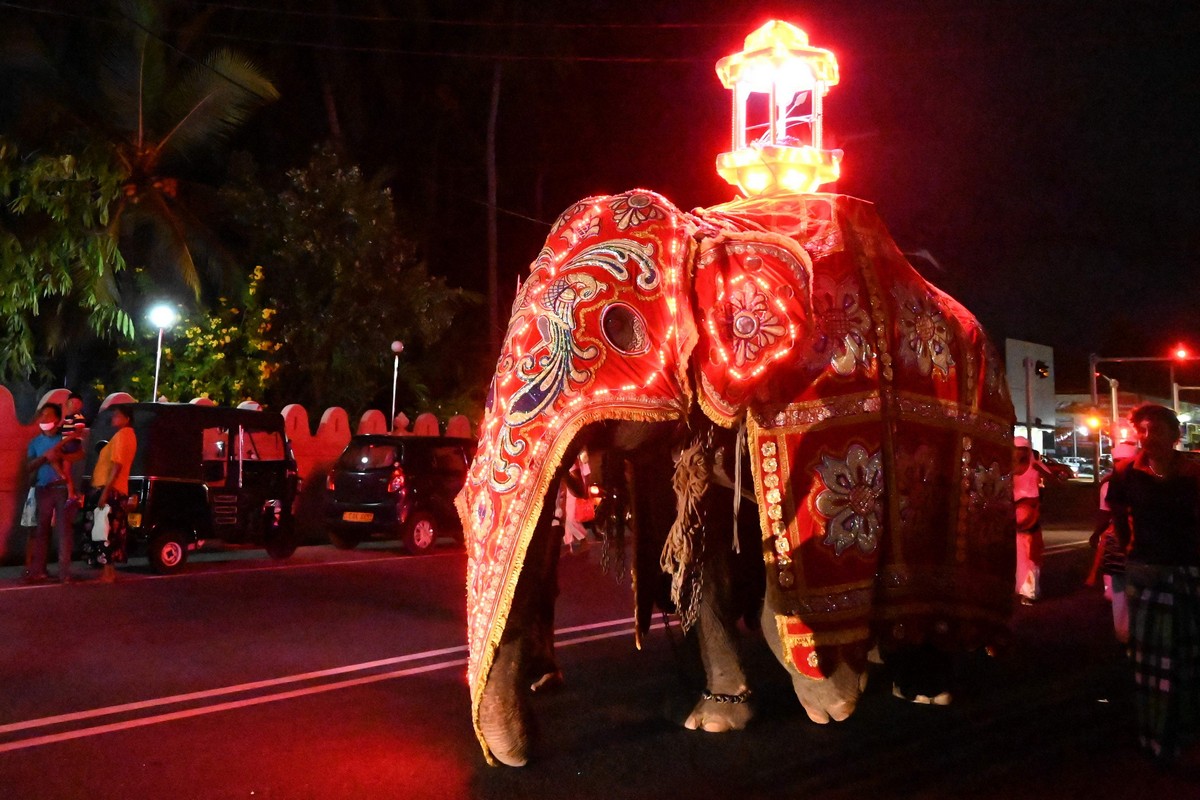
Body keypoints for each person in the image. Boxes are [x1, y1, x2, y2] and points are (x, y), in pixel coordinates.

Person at [1106, 403, 1200, 765]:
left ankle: (1186, 732)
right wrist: (1131, 555)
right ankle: (1156, 735)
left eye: (1156, 430)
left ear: (1175, 435)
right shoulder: (1126, 474)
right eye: (1142, 430)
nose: (1148, 437)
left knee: (1186, 658)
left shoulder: (1193, 473)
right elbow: (1118, 518)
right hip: (1146, 573)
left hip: (1188, 572)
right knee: (1151, 666)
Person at [1085, 440, 1139, 644]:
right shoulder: (1108, 484)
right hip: (1118, 542)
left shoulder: (1145, 481)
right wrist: (1097, 533)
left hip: (1142, 543)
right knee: (1119, 592)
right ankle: (1124, 635)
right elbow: (1105, 513)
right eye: (1117, 460)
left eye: (1124, 460)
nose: (1120, 464)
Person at [25, 403, 82, 583]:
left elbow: (79, 454)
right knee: (42, 531)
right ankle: (39, 570)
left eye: (47, 416)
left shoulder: (63, 438)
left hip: (61, 487)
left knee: (63, 531)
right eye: (41, 415)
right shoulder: (35, 442)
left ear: (57, 419)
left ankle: (64, 573)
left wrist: (60, 456)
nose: (43, 419)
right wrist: (44, 458)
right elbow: (29, 466)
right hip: (43, 488)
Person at [90, 405, 137, 583]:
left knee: (105, 531)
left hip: (111, 490)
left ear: (127, 419)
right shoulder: (129, 436)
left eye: (117, 415)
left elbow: (117, 465)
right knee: (110, 531)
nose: (113, 418)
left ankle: (107, 573)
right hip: (117, 489)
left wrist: (105, 492)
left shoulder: (123, 435)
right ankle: (109, 572)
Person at [1012, 436, 1058, 605]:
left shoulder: (1034, 465)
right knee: (1017, 553)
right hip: (1013, 512)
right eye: (1016, 448)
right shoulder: (1009, 467)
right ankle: (1020, 587)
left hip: (1030, 512)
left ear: (1027, 450)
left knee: (1031, 552)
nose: (1019, 452)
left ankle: (1030, 591)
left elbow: (1054, 479)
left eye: (1022, 449)